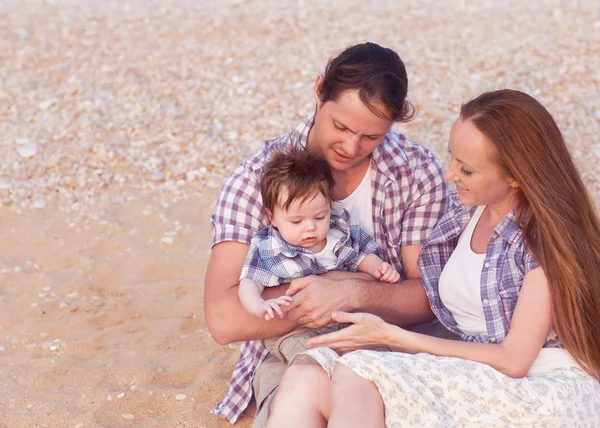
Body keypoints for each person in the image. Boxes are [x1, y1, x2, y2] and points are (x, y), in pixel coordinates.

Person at [268, 89, 600, 427]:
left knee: (359, 370)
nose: (449, 174)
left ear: (515, 176)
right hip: (479, 375)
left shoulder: (542, 242)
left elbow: (514, 360)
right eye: (451, 158)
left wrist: (393, 337)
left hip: (541, 390)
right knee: (307, 373)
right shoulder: (465, 213)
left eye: (466, 170)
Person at [205, 42, 448, 427]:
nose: (351, 147)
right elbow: (223, 319)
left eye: (371, 137)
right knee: (306, 383)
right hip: (293, 353)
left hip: (393, 344)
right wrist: (324, 288)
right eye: (341, 127)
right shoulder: (256, 179)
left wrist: (353, 292)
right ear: (319, 91)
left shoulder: (415, 171)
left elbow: (430, 297)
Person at [239, 147, 400, 365]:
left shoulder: (341, 229)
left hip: (349, 319)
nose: (310, 228)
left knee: (374, 359)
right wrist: (259, 305)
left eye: (319, 216)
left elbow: (362, 256)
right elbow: (249, 283)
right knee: (310, 362)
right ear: (272, 217)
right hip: (297, 331)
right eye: (297, 222)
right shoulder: (268, 246)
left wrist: (378, 268)